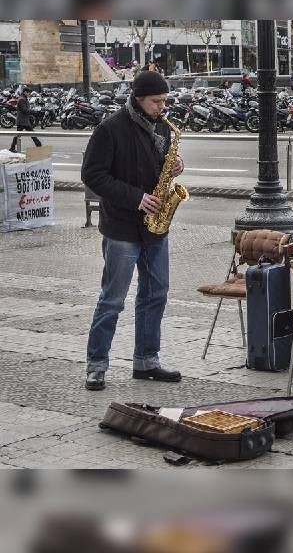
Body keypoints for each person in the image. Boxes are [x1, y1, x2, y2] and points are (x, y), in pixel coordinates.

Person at [80, 71, 185, 391]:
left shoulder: (163, 129)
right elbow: (92, 175)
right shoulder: (110, 129)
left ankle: (146, 361)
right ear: (138, 98)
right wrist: (136, 198)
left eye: (165, 101)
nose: (162, 107)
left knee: (156, 294)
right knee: (113, 300)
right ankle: (96, 365)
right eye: (157, 101)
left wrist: (175, 164)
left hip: (155, 229)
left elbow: (158, 169)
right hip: (122, 227)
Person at [10, 86, 42, 152]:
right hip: (22, 121)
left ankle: (39, 146)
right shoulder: (22, 99)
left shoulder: (24, 98)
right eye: (29, 93)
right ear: (25, 92)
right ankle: (39, 146)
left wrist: (32, 111)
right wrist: (34, 111)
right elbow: (25, 110)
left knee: (29, 135)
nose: (30, 94)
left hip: (24, 120)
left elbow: (26, 110)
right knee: (22, 135)